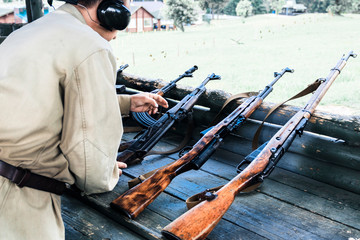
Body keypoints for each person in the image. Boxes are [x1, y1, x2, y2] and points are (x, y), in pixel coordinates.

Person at [0, 0, 168, 239]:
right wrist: (105, 171)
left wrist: (122, 103)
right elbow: (91, 171)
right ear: (108, 10)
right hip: (19, 199)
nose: (117, 35)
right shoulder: (92, 46)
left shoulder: (27, 32)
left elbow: (35, 97)